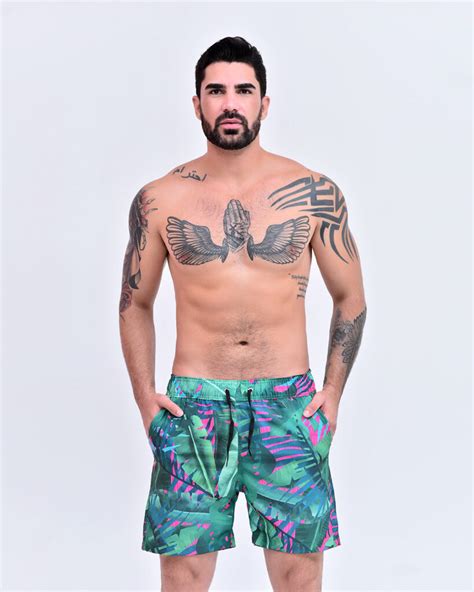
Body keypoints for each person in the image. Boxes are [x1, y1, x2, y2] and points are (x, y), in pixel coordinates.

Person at [119, 36, 367, 592]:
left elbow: (350, 297)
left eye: (243, 90)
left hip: (288, 404)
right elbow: (135, 302)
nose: (230, 103)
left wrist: (331, 392)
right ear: (197, 104)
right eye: (216, 91)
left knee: (298, 575)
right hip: (194, 407)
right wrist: (144, 398)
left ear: (264, 103)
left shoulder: (313, 193)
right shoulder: (160, 198)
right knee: (184, 575)